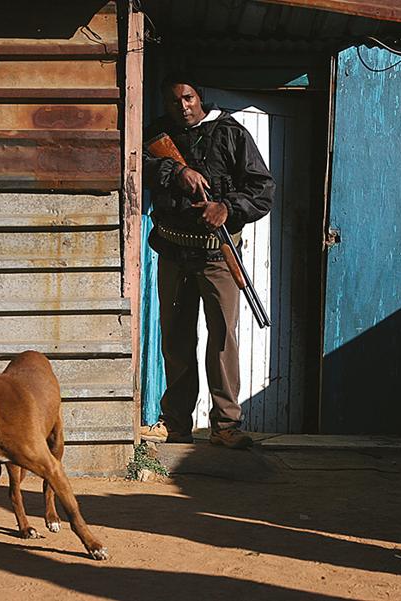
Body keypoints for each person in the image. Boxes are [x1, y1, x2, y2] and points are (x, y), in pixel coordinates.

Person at [139, 72, 274, 449]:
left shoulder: (230, 133)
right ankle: (177, 425)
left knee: (222, 340)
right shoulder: (156, 135)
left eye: (187, 98)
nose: (181, 107)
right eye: (173, 101)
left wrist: (226, 208)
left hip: (217, 255)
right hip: (174, 251)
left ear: (201, 99)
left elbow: (262, 191)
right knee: (177, 340)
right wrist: (176, 170)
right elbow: (135, 162)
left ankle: (225, 426)